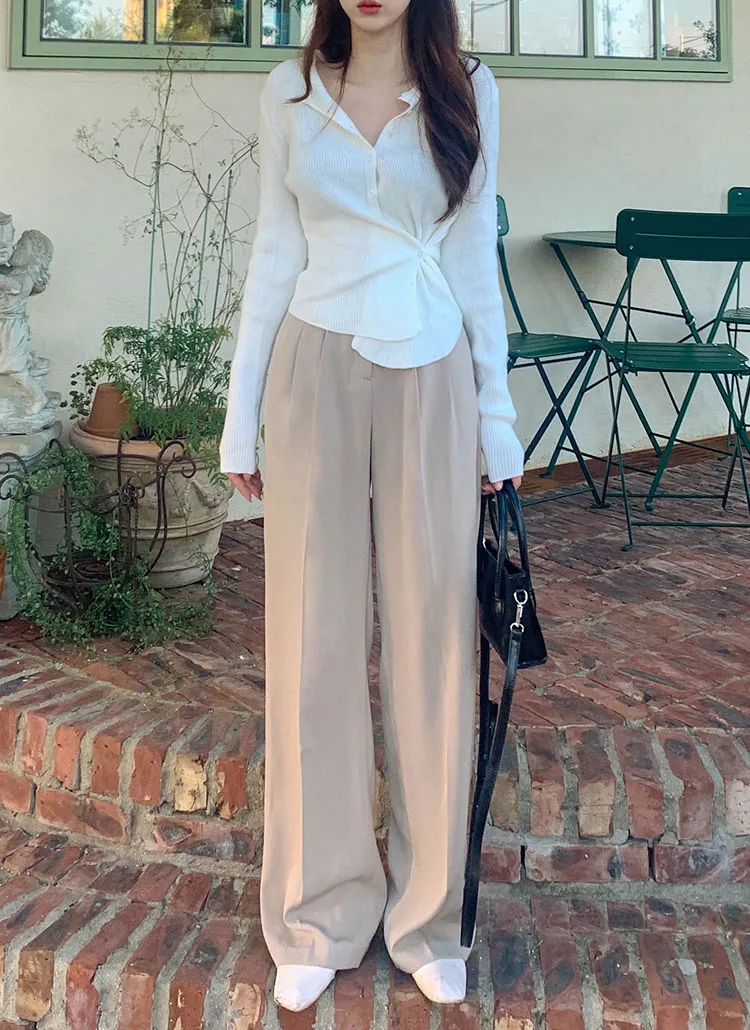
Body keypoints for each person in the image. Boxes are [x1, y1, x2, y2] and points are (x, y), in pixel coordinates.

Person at [219, 0, 524, 1013]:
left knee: (435, 640)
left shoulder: (467, 91)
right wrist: (239, 415)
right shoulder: (292, 91)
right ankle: (318, 910)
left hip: (432, 365)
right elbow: (274, 249)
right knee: (313, 637)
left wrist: (496, 420)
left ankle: (429, 917)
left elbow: (473, 258)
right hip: (313, 364)